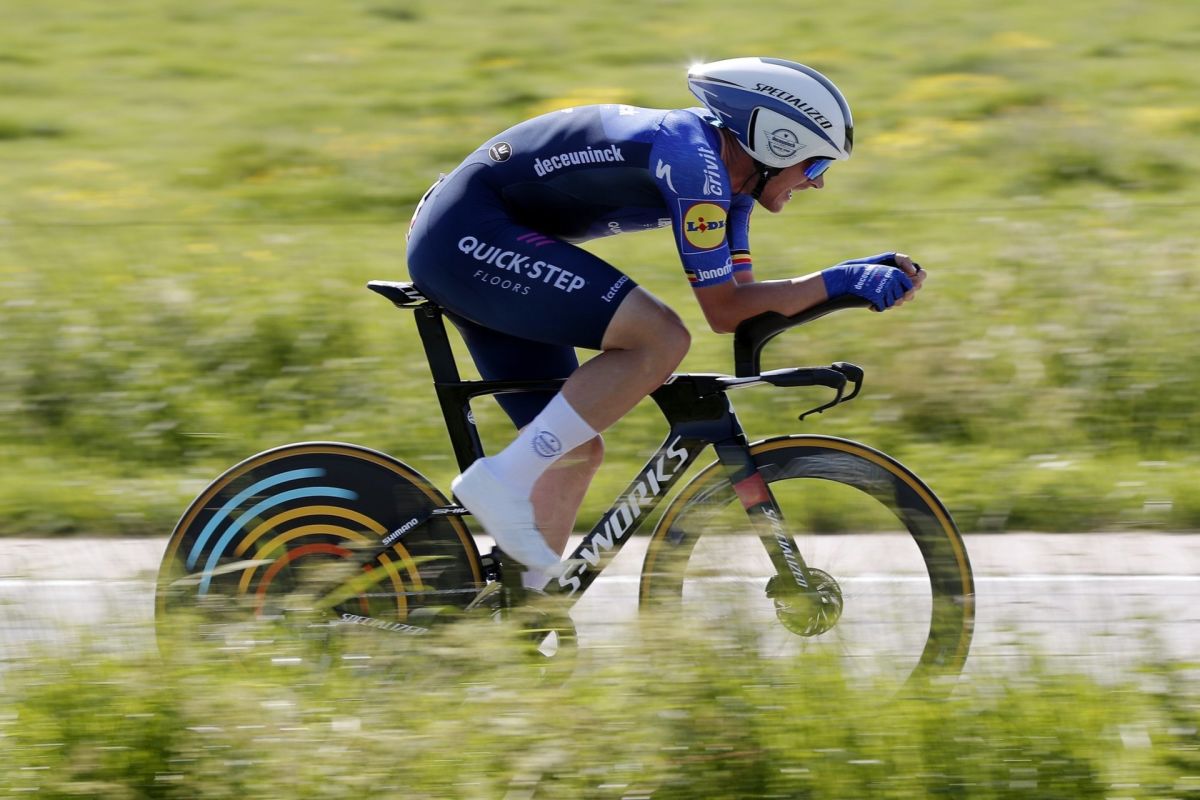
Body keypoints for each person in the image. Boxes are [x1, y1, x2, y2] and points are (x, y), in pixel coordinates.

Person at [405, 56, 924, 588]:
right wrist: (841, 280)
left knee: (572, 450)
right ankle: (501, 479)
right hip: (465, 235)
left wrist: (848, 280)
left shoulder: (732, 187)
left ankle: (523, 609)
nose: (819, 183)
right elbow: (722, 308)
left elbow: (739, 306)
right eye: (816, 166)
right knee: (660, 337)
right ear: (777, 144)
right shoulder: (693, 160)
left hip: (482, 240)